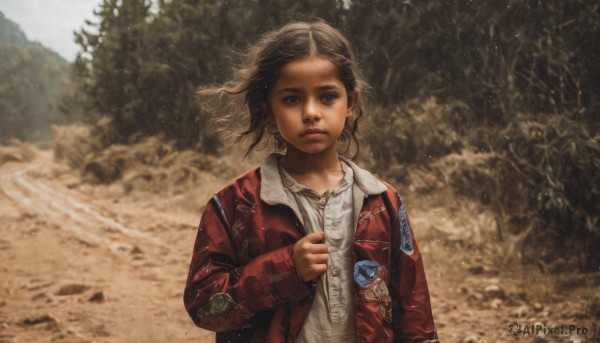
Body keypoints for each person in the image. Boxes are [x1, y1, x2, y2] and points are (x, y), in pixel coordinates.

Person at [183, 20, 439, 343]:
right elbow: (203, 307)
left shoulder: (382, 201)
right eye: (291, 99)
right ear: (269, 110)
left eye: (327, 96)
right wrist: (284, 271)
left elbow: (414, 311)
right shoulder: (235, 205)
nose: (311, 112)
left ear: (350, 103)